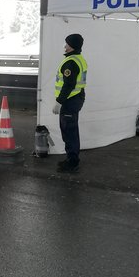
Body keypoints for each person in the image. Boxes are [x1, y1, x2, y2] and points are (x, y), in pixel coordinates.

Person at [52, 33, 87, 173]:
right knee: (70, 130)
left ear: (72, 46)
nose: (65, 46)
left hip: (70, 100)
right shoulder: (79, 59)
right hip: (76, 98)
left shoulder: (70, 62)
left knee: (69, 131)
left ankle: (72, 162)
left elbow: (69, 85)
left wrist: (59, 102)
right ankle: (71, 158)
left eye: (67, 43)